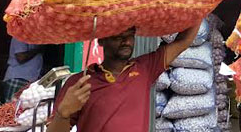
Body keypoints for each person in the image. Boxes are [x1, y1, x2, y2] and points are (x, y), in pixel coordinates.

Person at [46, 22, 201, 132]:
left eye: (130, 35)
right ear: (101, 40)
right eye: (118, 37)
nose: (126, 42)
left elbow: (183, 41)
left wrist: (200, 9)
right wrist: (64, 112)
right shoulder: (80, 84)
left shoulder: (145, 68)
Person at [2, 38, 43, 102]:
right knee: (12, 108)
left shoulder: (34, 38)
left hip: (31, 79)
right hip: (19, 78)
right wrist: (39, 49)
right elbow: (21, 57)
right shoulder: (19, 36)